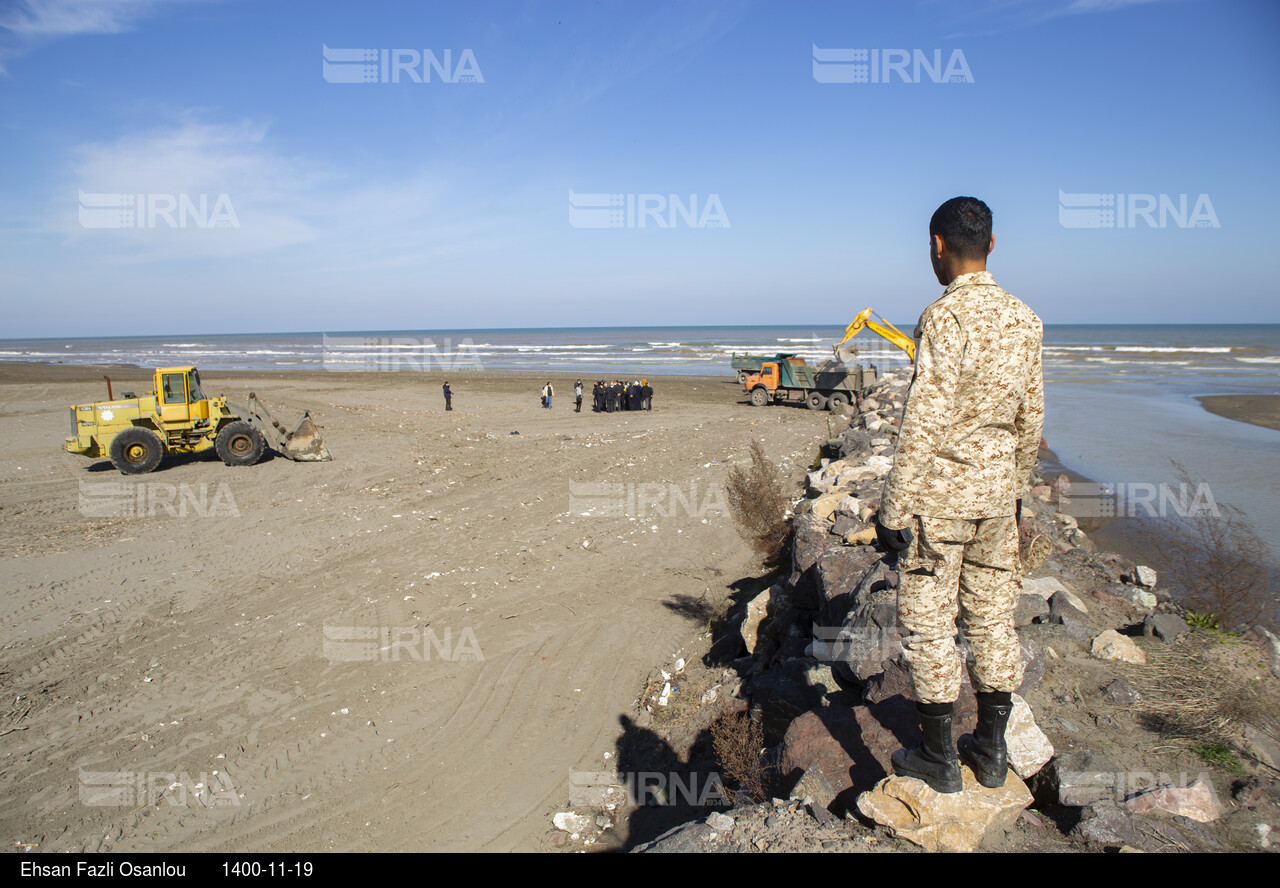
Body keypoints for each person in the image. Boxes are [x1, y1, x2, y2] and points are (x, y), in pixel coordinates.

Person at [876, 196, 1044, 794]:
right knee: (994, 619)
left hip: (941, 502)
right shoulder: (1026, 319)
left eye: (930, 247)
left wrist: (893, 508)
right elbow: (1031, 418)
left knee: (928, 623)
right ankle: (992, 752)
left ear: (938, 245)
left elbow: (925, 418)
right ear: (992, 245)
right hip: (998, 497)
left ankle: (939, 757)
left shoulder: (944, 318)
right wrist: (1018, 490)